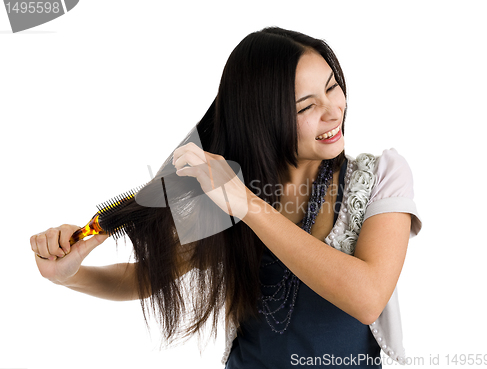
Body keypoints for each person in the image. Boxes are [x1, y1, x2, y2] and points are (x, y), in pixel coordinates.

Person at [30, 27, 422, 368]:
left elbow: (368, 297)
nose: (333, 112)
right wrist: (71, 277)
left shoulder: (381, 177)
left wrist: (248, 206)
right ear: (262, 118)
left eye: (333, 87)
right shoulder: (225, 190)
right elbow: (149, 278)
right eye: (306, 106)